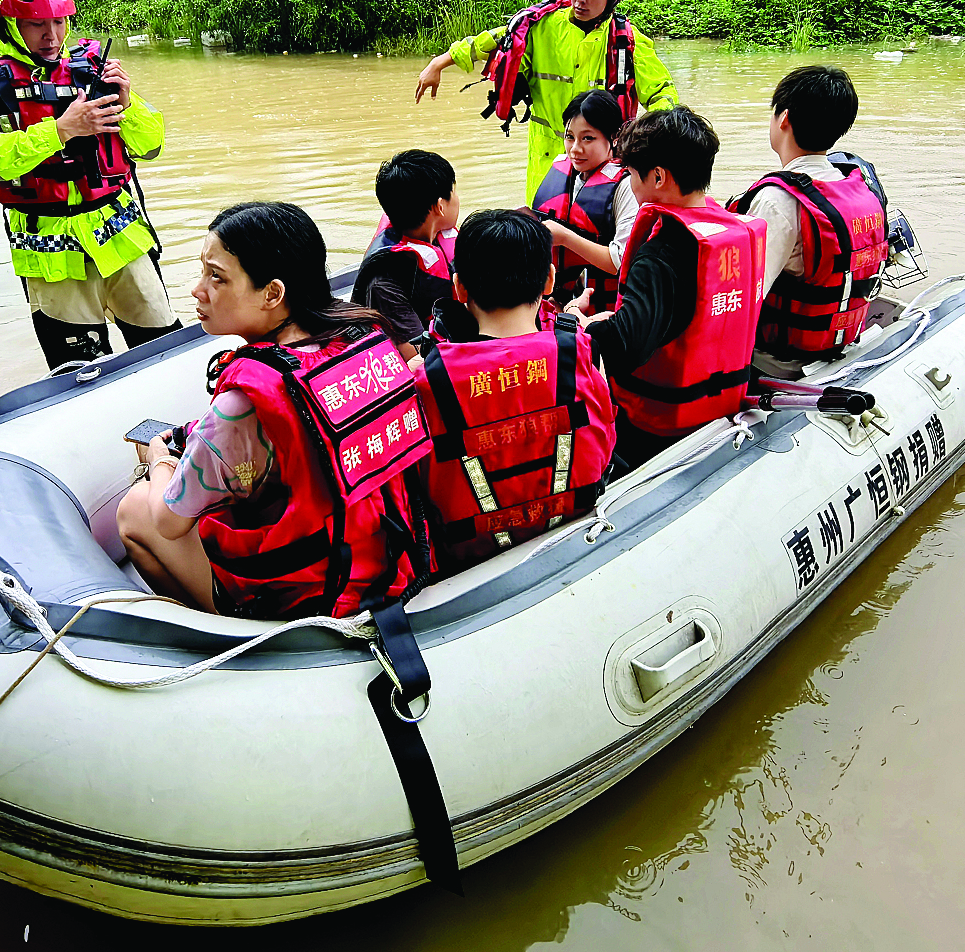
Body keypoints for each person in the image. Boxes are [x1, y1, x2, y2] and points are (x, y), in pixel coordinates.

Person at [116, 202, 432, 619]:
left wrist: (159, 460)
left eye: (216, 276)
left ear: (272, 294)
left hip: (307, 596)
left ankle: (221, 629)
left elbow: (168, 522)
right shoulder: (365, 340)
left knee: (136, 510)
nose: (197, 289)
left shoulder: (241, 403)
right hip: (390, 561)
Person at [0, 0, 181, 370]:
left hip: (121, 235)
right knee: (81, 375)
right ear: (3, 21)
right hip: (48, 247)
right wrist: (62, 129)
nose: (51, 36)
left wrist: (126, 106)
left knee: (168, 350)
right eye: (36, 24)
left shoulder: (89, 67)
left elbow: (151, 145)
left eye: (58, 22)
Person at [413, 209, 615, 573]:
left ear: (458, 288)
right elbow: (604, 441)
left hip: (467, 566)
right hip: (575, 532)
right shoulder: (583, 353)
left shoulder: (423, 379)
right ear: (549, 280)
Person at [582, 108, 765, 474]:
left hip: (658, 430)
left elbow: (626, 346)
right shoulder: (726, 227)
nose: (631, 185)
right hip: (722, 409)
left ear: (659, 176)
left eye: (633, 174)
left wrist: (587, 326)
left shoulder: (662, 250)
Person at [413, 0, 679, 204]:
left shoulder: (628, 43)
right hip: (547, 156)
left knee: (596, 229)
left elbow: (661, 94)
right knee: (541, 226)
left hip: (604, 159)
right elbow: (494, 40)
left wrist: (654, 141)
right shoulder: (541, 26)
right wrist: (441, 61)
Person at [729, 65, 889, 377]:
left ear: (783, 118)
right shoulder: (858, 187)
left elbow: (742, 300)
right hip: (842, 345)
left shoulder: (777, 201)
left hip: (777, 362)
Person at [352, 149, 462, 357]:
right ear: (440, 206)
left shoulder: (436, 236)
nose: (457, 199)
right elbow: (416, 357)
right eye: (453, 192)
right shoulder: (384, 283)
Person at [534, 89, 634, 317]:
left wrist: (564, 237)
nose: (575, 149)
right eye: (570, 137)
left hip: (604, 312)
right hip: (557, 304)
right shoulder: (562, 170)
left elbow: (620, 261)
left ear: (614, 136)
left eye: (588, 138)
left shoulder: (626, 185)